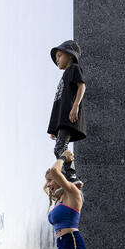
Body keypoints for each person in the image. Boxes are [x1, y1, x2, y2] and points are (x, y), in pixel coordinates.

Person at [48, 40, 86, 187]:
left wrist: (75, 106)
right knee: (60, 148)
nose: (57, 59)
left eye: (59, 55)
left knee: (59, 149)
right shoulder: (64, 77)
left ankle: (72, 177)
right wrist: (54, 128)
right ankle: (69, 177)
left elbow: (82, 86)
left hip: (70, 117)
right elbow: (58, 104)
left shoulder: (74, 69)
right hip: (63, 120)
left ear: (70, 56)